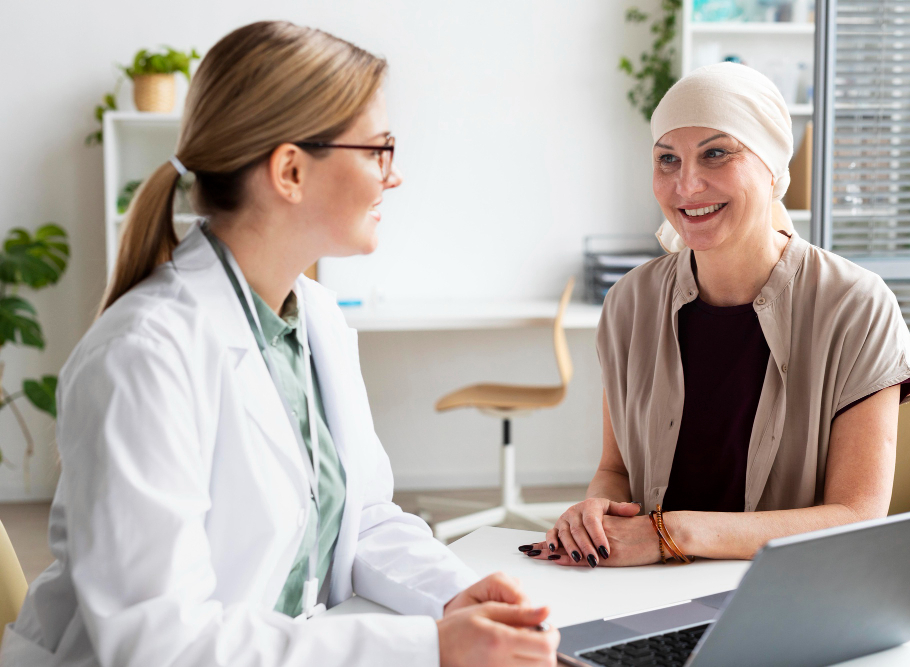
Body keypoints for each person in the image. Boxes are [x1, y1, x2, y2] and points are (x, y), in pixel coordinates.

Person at [0, 21, 559, 667]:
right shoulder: (141, 356)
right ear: (291, 170)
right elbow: (158, 644)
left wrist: (454, 592)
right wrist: (426, 648)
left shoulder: (314, 317)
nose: (393, 176)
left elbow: (363, 517)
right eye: (379, 149)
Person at [522, 62, 910, 568]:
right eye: (667, 160)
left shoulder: (856, 305)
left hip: (784, 597)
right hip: (645, 591)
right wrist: (595, 515)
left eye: (716, 153)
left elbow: (856, 515)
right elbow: (615, 471)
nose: (686, 185)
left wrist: (671, 532)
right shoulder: (630, 302)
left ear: (774, 169)